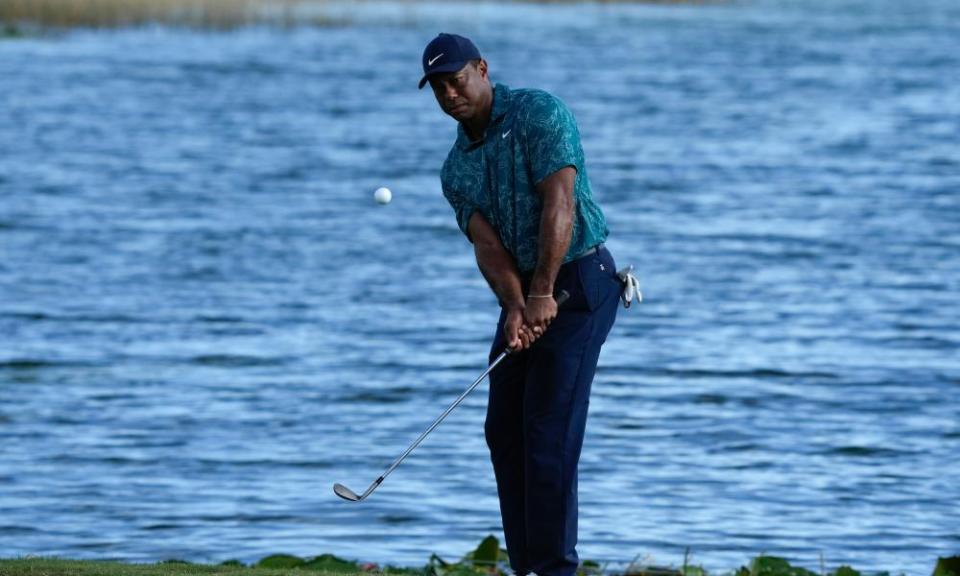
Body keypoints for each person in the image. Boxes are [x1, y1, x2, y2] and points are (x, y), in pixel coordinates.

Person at [419, 33, 623, 576]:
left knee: (547, 426)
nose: (449, 94)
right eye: (438, 88)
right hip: (526, 291)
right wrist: (514, 305)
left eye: (456, 81)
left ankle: (555, 568)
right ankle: (528, 565)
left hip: (580, 280)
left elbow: (559, 203)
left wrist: (540, 294)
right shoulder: (456, 169)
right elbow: (487, 245)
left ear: (482, 69)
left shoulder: (539, 113)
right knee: (504, 427)